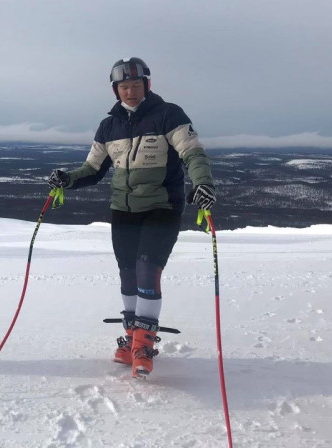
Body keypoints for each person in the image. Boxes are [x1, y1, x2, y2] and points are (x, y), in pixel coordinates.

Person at [47, 58, 215, 378]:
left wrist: (203, 184)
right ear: (115, 90)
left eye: (136, 85)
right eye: (124, 87)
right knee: (127, 273)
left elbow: (193, 153)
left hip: (162, 207)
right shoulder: (109, 126)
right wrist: (67, 179)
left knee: (147, 269)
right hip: (122, 210)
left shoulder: (169, 115)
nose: (130, 91)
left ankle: (144, 344)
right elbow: (93, 169)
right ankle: (131, 337)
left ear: (147, 85)